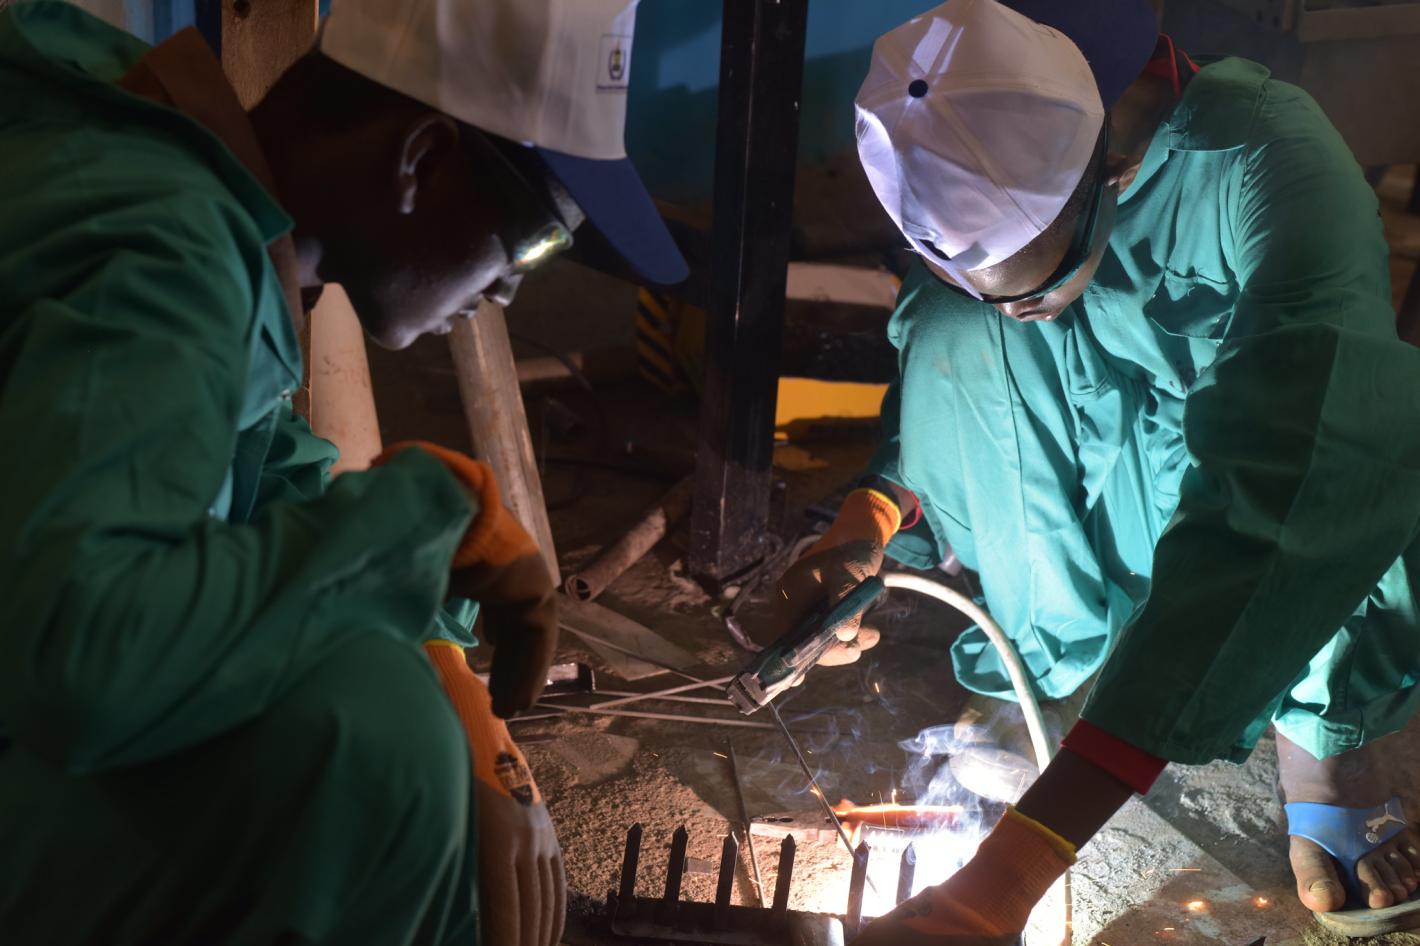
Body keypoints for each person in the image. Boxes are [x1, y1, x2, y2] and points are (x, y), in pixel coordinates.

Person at [0, 1, 685, 944]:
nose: (510, 288)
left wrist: (439, 651)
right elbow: (82, 654)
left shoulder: (170, 174)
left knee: (397, 697)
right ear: (422, 161)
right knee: (378, 743)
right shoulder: (169, 251)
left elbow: (254, 471)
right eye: (531, 241)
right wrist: (421, 520)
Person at [762, 0, 1420, 941]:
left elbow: (1292, 486)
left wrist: (1013, 872)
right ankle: (1043, 662)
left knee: (1349, 446)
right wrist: (862, 523)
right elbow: (954, 403)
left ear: (1114, 168)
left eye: (1027, 289)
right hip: (1122, 482)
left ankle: (1324, 739)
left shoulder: (1271, 168)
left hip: (1255, 462)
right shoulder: (976, 96)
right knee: (950, 330)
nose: (1013, 311)